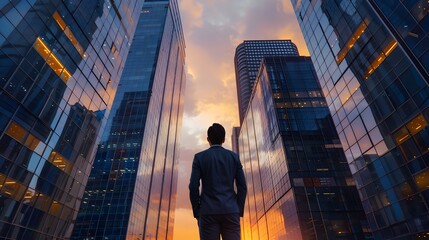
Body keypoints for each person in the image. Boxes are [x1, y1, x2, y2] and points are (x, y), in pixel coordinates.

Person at [189, 123, 247, 240]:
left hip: (207, 211)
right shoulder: (234, 157)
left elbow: (193, 187)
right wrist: (238, 209)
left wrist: (197, 211)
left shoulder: (199, 158)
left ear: (208, 139)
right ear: (224, 139)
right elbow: (242, 186)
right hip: (231, 210)